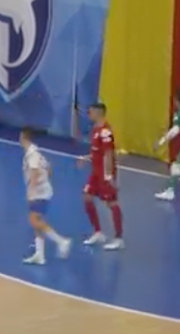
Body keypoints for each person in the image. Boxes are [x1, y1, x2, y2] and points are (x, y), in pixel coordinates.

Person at [20, 128, 71, 265]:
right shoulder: (37, 153)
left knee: (34, 220)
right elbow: (49, 169)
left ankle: (61, 241)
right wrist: (45, 180)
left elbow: (35, 173)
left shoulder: (32, 155)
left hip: (39, 193)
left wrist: (31, 191)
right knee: (36, 221)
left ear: (23, 137)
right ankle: (40, 255)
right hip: (43, 190)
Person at [79, 102, 124, 250]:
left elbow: (109, 154)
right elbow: (97, 151)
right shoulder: (95, 129)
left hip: (105, 173)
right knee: (87, 197)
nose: (89, 114)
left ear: (98, 113)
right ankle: (98, 232)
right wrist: (86, 157)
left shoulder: (105, 132)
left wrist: (109, 176)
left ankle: (119, 239)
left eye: (90, 112)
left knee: (111, 203)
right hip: (95, 172)